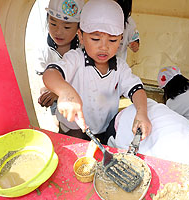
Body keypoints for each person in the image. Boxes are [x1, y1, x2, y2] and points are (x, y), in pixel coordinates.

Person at [42, 0, 151, 144]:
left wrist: (142, 112)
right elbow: (50, 74)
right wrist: (65, 92)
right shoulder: (76, 58)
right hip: (72, 130)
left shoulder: (120, 68)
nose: (104, 47)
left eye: (112, 40)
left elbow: (137, 89)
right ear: (80, 36)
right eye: (95, 39)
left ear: (121, 39)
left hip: (103, 130)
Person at [35, 0, 85, 126]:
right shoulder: (43, 49)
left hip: (80, 98)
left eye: (67, 27)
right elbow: (42, 78)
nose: (58, 32)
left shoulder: (83, 49)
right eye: (53, 23)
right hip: (55, 101)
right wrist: (47, 93)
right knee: (59, 124)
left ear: (79, 28)